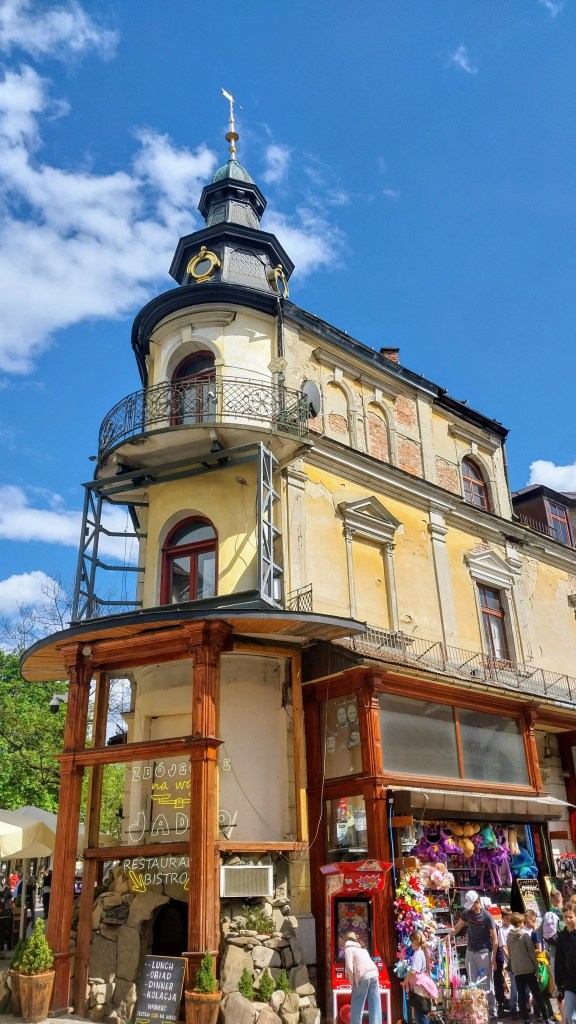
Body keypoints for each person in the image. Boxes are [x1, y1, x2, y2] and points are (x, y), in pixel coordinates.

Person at [451, 890, 499, 1021]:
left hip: (484, 953)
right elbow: (457, 928)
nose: (470, 908)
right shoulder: (466, 912)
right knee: (473, 983)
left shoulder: (487, 916)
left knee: (487, 984)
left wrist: (493, 959)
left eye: (471, 904)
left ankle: (492, 1013)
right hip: (470, 952)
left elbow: (495, 939)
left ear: (477, 902)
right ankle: (478, 1012)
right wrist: (446, 938)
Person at [507, 912, 553, 1024]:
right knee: (537, 993)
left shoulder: (509, 936)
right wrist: (536, 968)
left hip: (517, 969)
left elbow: (509, 954)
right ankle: (545, 1017)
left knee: (521, 994)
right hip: (528, 968)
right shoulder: (524, 935)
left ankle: (525, 1018)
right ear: (520, 922)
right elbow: (532, 953)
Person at [343, 930, 382, 1024]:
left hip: (363, 975)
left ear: (346, 940)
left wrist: (352, 983)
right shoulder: (362, 947)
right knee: (375, 1003)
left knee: (357, 1004)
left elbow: (349, 968)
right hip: (374, 973)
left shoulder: (348, 948)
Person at [402, 930, 438, 1024]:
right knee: (422, 1014)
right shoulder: (422, 952)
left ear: (414, 941)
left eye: (411, 942)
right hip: (422, 987)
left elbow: (413, 971)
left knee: (420, 1015)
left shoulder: (417, 953)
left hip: (419, 989)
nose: (411, 945)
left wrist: (405, 980)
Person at [553, 906, 576, 1024]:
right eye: (565, 917)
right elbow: (559, 960)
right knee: (569, 1016)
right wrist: (559, 983)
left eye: (571, 917)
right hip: (569, 981)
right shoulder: (562, 936)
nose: (568, 920)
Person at [496, 907, 518, 1016]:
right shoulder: (501, 930)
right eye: (506, 918)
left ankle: (520, 1003)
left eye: (510, 918)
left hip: (518, 958)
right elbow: (503, 947)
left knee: (519, 983)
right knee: (513, 984)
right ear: (503, 918)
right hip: (510, 960)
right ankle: (513, 1006)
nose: (509, 920)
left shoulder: (513, 927)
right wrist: (509, 958)